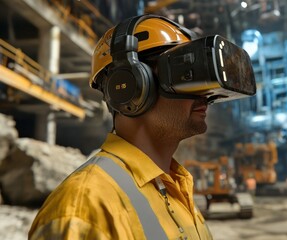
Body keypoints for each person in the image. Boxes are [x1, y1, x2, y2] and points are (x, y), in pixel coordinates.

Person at [29, 14, 255, 239]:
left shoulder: (177, 190)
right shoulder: (84, 208)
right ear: (129, 86)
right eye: (186, 75)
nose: (204, 94)